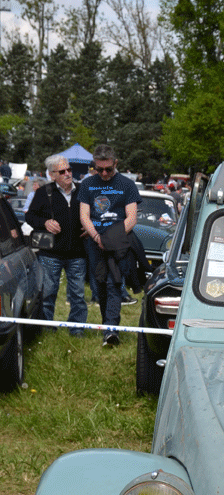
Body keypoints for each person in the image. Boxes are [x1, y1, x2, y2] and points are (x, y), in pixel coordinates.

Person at [78, 145, 140, 346]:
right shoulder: (87, 184)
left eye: (108, 169)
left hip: (118, 242)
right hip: (95, 242)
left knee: (114, 283)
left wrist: (111, 239)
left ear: (116, 164)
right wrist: (97, 237)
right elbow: (84, 216)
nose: (104, 173)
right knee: (99, 285)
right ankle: (107, 324)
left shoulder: (127, 185)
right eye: (99, 169)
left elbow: (131, 218)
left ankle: (112, 329)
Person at [25, 156, 88, 336]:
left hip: (77, 252)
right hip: (50, 253)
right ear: (53, 175)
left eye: (69, 170)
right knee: (48, 293)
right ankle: (46, 328)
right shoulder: (44, 192)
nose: (68, 174)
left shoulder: (83, 190)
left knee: (78, 295)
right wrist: (45, 222)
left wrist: (90, 226)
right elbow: (30, 217)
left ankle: (77, 329)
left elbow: (96, 212)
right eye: (62, 171)